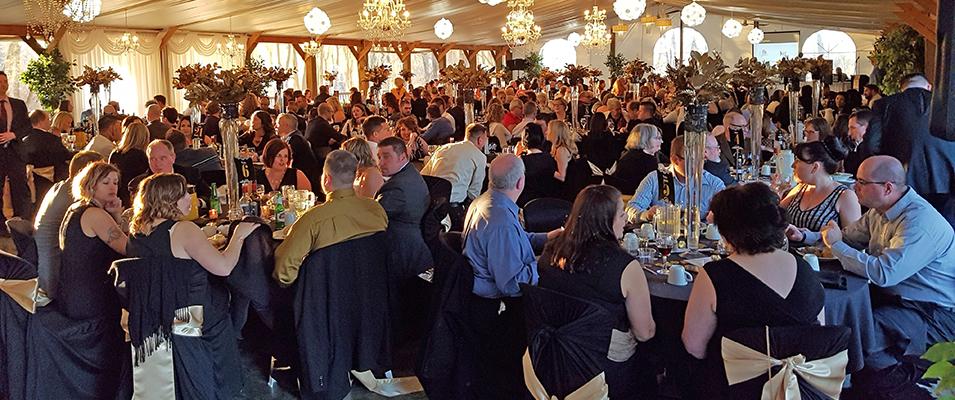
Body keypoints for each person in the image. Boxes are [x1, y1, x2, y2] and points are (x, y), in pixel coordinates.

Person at [820, 156, 955, 396]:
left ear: (888, 187)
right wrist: (806, 237)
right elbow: (848, 237)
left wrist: (837, 247)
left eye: (861, 182)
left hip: (932, 312)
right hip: (895, 299)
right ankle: (862, 382)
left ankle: (901, 386)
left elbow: (884, 273)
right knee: (846, 320)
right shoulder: (880, 210)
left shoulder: (919, 222)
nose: (854, 187)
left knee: (861, 333)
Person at [682, 182, 825, 397]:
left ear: (727, 230)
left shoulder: (715, 275)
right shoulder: (805, 269)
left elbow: (694, 346)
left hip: (732, 390)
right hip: (798, 390)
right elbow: (819, 334)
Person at [125, 173, 257, 399]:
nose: (190, 198)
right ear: (171, 199)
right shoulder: (183, 230)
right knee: (229, 301)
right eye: (185, 193)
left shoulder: (136, 231)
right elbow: (224, 266)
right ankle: (221, 387)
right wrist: (238, 237)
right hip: (188, 318)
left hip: (153, 315)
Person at [538, 185, 656, 398]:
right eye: (622, 214)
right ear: (607, 222)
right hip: (603, 367)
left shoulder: (550, 252)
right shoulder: (625, 267)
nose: (626, 221)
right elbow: (644, 333)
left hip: (554, 357)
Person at [462, 154, 562, 399]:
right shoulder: (499, 220)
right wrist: (548, 263)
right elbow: (512, 284)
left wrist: (549, 237)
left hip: (481, 303)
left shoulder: (487, 202)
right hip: (497, 311)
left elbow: (517, 242)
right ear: (521, 183)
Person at [52, 161, 129, 398]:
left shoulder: (77, 209)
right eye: (105, 182)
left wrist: (116, 214)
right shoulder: (94, 214)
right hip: (91, 301)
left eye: (115, 182)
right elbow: (127, 247)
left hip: (72, 294)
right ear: (89, 185)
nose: (112, 187)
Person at [273, 150, 388, 286]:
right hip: (372, 291)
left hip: (325, 295)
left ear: (327, 179)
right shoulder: (376, 210)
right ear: (354, 177)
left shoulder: (313, 220)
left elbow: (283, 272)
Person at [33, 151, 103, 303]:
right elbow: (99, 226)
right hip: (54, 274)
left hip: (43, 261)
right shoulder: (76, 197)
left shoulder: (59, 187)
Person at [627, 135, 726, 223]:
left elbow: (728, 215)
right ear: (675, 160)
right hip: (664, 238)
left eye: (702, 159)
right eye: (693, 160)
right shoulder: (656, 179)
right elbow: (631, 209)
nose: (699, 165)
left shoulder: (714, 184)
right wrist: (647, 214)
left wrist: (718, 217)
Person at [782, 137, 861, 244]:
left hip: (823, 259)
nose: (793, 165)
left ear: (815, 167)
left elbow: (854, 241)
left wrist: (806, 236)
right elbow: (775, 215)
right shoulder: (800, 188)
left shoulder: (845, 196)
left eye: (799, 160)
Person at [376, 136, 432, 276]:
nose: (380, 163)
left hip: (401, 252)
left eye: (386, 157)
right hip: (413, 245)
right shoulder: (410, 173)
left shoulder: (397, 187)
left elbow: (372, 217)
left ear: (402, 156)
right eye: (379, 157)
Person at [421, 123, 488, 231]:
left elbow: (424, 175)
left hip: (427, 205)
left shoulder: (444, 148)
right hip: (453, 210)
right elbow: (474, 193)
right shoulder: (479, 156)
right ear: (480, 140)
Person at [128, 139, 210, 201]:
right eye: (152, 159)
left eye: (162, 158)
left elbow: (208, 196)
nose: (157, 163)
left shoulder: (190, 174)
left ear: (173, 157)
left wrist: (198, 202)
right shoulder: (138, 184)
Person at [609, 123, 663, 194]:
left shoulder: (630, 154)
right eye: (657, 138)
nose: (662, 141)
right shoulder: (645, 160)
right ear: (646, 139)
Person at [21, 109, 71, 182]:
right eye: (48, 119)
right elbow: (65, 155)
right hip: (54, 179)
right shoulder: (52, 139)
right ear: (41, 121)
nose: (50, 122)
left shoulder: (23, 140)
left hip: (32, 181)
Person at [108, 122, 150, 206]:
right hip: (134, 196)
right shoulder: (141, 156)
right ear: (144, 138)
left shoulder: (115, 153)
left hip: (116, 195)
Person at [276, 112, 321, 188]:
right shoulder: (295, 137)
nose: (276, 127)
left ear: (286, 125)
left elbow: (287, 160)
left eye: (278, 124)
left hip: (304, 181)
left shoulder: (296, 139)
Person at [517, 124, 557, 207]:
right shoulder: (550, 158)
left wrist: (516, 155)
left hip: (526, 203)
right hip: (549, 202)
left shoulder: (522, 160)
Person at [843, 110, 878, 175]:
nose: (849, 133)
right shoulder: (852, 145)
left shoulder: (873, 151)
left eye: (853, 128)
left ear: (867, 126)